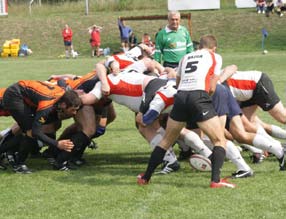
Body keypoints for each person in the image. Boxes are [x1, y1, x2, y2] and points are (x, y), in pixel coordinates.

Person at [137, 34, 236, 188]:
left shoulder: (186, 57)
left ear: (198, 46)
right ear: (214, 48)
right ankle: (216, 180)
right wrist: (204, 98)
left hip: (181, 97)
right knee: (219, 140)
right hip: (198, 97)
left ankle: (145, 177)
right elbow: (212, 86)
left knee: (166, 141)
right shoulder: (215, 57)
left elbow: (177, 82)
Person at [2, 80, 82, 173]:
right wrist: (57, 144)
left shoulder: (64, 93)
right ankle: (19, 164)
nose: (74, 113)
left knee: (30, 131)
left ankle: (14, 155)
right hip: (14, 95)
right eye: (73, 110)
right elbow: (36, 132)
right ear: (64, 105)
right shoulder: (47, 105)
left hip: (22, 93)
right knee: (30, 132)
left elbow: (61, 82)